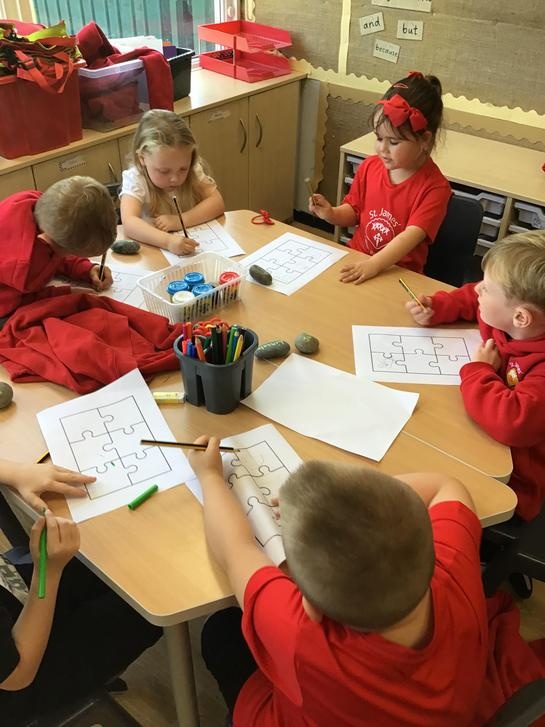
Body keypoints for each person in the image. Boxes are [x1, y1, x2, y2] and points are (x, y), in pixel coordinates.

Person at [189, 437, 491, 726]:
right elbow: (447, 486)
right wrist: (357, 508)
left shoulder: (302, 635)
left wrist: (210, 476)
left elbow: (234, 551)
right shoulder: (455, 565)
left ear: (310, 606)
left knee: (220, 632)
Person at [0, 458, 162, 725]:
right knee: (146, 607)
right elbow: (17, 674)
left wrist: (16, 471)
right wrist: (48, 572)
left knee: (108, 562)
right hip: (23, 679)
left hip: (14, 594)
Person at [406, 229, 545, 522]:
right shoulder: (508, 316)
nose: (478, 288)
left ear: (521, 317)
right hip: (474, 434)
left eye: (488, 287)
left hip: (513, 478)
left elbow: (513, 421)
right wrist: (437, 308)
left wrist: (479, 370)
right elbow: (470, 296)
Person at [310, 72, 451, 284]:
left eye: (394, 142)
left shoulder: (435, 188)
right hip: (359, 262)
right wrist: (331, 213)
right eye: (378, 138)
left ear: (424, 139)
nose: (382, 149)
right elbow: (354, 212)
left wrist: (373, 264)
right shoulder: (369, 167)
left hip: (399, 276)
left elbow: (409, 237)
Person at [0, 176, 116, 323]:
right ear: (50, 243)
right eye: (72, 253)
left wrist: (86, 268)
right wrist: (64, 293)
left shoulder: (41, 206)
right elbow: (11, 303)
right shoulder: (23, 266)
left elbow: (58, 246)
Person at [120, 109, 225, 255]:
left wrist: (178, 221)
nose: (175, 178)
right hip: (156, 254)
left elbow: (217, 202)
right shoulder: (136, 179)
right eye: (164, 171)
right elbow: (129, 222)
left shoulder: (193, 170)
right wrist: (168, 241)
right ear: (142, 158)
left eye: (183, 169)